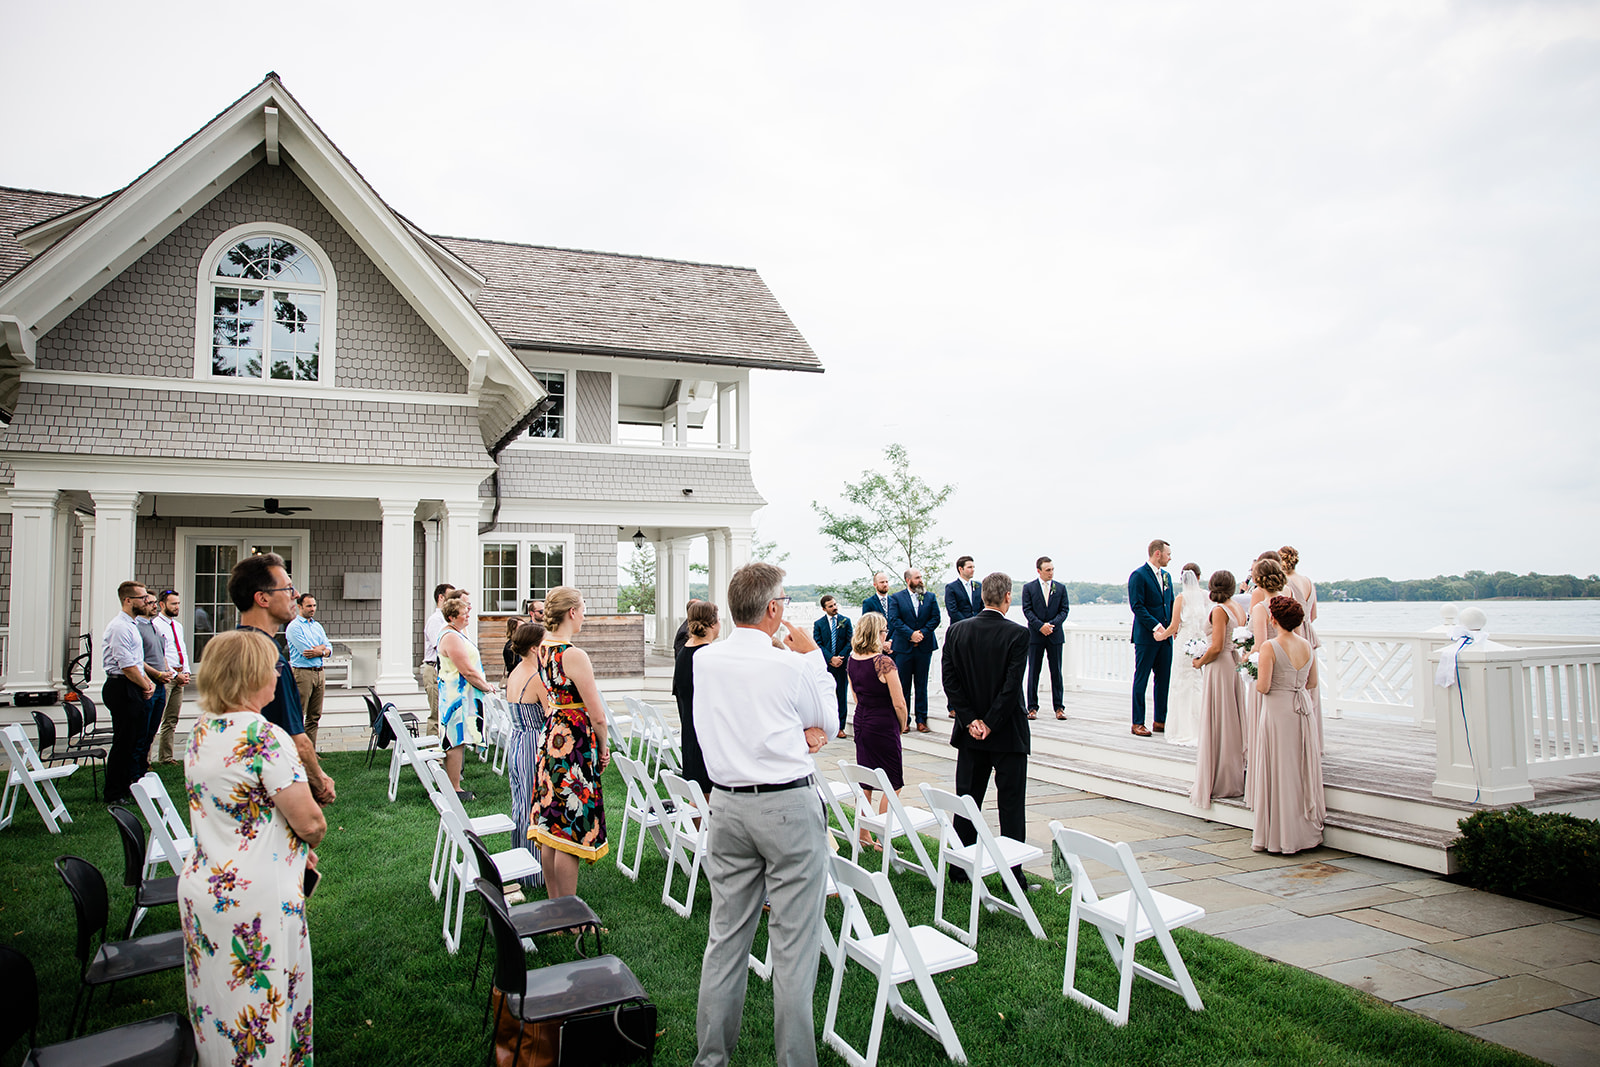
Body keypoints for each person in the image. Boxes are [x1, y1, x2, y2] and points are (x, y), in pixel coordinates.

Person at [691, 561, 833, 1067]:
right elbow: (830, 723)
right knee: (794, 948)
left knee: (725, 939)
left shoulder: (704, 661)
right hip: (787, 805)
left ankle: (711, 1059)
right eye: (785, 602)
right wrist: (814, 658)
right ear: (773, 609)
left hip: (726, 804)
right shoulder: (790, 665)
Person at [179, 629, 326, 1067]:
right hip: (256, 897)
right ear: (251, 676)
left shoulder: (201, 731)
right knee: (263, 1011)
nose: (279, 674)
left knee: (218, 1007)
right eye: (273, 668)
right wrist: (304, 840)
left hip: (204, 886)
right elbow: (310, 822)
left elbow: (238, 809)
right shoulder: (264, 736)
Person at [941, 571, 1033, 886]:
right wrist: (991, 722)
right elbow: (1011, 688)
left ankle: (959, 868)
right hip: (1007, 734)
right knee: (1010, 805)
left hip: (969, 734)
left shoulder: (955, 631)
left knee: (967, 800)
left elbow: (950, 682)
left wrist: (971, 720)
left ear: (982, 597)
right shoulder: (1019, 634)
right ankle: (1014, 876)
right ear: (1008, 597)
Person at [230, 554, 336, 804]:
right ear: (262, 598)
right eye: (288, 588)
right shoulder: (270, 661)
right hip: (267, 789)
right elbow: (295, 738)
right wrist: (319, 782)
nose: (295, 594)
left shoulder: (237, 646)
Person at [530, 586, 612, 898]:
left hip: (552, 736)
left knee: (552, 825)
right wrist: (603, 748)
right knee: (569, 827)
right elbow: (598, 715)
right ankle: (570, 916)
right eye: (584, 610)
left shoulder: (542, 649)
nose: (585, 616)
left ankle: (555, 908)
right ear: (572, 613)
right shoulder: (573, 655)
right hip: (573, 743)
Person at [1249, 595, 1324, 853]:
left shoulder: (1270, 646)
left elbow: (1263, 686)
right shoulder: (1306, 645)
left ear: (1273, 619)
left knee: (1279, 769)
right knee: (1300, 767)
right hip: (1303, 709)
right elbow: (1312, 683)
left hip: (1278, 711)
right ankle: (1303, 832)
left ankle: (1280, 836)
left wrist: (1253, 671)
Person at [846, 612, 909, 849]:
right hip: (883, 724)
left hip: (862, 721)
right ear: (875, 633)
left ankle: (863, 834)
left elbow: (854, 694)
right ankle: (883, 839)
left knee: (866, 783)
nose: (887, 635)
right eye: (884, 631)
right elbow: (899, 702)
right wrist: (902, 724)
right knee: (893, 784)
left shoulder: (852, 659)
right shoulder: (883, 663)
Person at [1189, 571, 1248, 808]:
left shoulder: (1219, 611)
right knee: (1230, 720)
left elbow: (1217, 646)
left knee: (1220, 720)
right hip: (1232, 662)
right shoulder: (1238, 608)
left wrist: (1199, 661)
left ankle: (1222, 779)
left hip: (1219, 665)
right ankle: (1231, 773)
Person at [102, 580, 156, 802]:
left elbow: (137, 661)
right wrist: (146, 685)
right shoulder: (119, 627)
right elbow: (127, 666)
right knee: (123, 741)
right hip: (121, 686)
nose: (146, 601)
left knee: (134, 740)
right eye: (142, 598)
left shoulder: (132, 624)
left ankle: (127, 786)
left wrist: (147, 683)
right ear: (128, 600)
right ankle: (114, 793)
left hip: (132, 684)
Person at [504, 620, 549, 882]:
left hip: (517, 741)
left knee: (521, 804)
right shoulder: (535, 678)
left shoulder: (515, 672)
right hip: (533, 742)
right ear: (534, 648)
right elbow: (550, 715)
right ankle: (535, 872)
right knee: (535, 805)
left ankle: (522, 864)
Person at [438, 595, 495, 797]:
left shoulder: (456, 633)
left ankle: (454, 785)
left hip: (462, 695)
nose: (468, 616)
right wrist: (485, 686)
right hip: (457, 697)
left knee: (459, 739)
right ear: (452, 617)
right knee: (455, 739)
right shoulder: (451, 637)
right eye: (464, 614)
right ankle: (453, 788)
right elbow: (466, 671)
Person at [1155, 564, 1205, 747]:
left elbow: (1174, 626)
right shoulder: (1206, 596)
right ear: (1198, 577)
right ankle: (1201, 728)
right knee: (1197, 684)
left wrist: (1161, 635)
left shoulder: (1181, 598)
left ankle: (1183, 729)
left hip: (1184, 644)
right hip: (1200, 643)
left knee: (1181, 685)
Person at [674, 600, 721, 795]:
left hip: (690, 731)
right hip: (706, 736)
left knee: (697, 795)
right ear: (712, 624)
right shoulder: (707, 655)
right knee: (707, 796)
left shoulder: (686, 649)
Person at [1280, 544, 1323, 752]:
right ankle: (1313, 737)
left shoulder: (1285, 584)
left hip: (1294, 633)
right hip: (1308, 634)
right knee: (1311, 686)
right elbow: (1313, 615)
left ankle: (1296, 738)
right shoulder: (1308, 581)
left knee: (1294, 684)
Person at [1128, 540, 1174, 736]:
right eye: (1168, 554)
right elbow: (1137, 606)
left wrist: (1171, 628)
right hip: (1146, 637)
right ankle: (1137, 722)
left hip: (1165, 637)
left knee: (1163, 679)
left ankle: (1160, 720)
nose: (1170, 557)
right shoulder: (1138, 576)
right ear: (1157, 553)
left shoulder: (1167, 576)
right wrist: (1156, 626)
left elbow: (1169, 603)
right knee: (1142, 678)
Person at [886, 567, 940, 732]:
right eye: (917, 578)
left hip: (924, 647)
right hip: (903, 648)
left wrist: (921, 633)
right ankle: (905, 720)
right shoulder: (896, 598)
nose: (920, 580)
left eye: (921, 577)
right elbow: (894, 619)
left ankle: (921, 720)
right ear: (908, 580)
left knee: (922, 684)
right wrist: (911, 634)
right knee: (904, 685)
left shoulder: (929, 597)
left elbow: (935, 618)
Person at [1246, 558, 1290, 758]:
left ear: (1257, 580)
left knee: (1262, 718)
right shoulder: (1289, 602)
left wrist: (1244, 658)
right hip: (1287, 665)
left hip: (1268, 667)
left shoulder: (1261, 608)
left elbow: (1260, 646)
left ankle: (1263, 760)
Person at [1023, 556, 1070, 720]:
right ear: (1039, 571)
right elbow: (1027, 610)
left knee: (1056, 672)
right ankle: (1032, 707)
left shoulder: (1061, 588)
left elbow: (1064, 610)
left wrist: (1051, 625)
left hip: (1055, 635)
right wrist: (1040, 626)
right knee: (1033, 672)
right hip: (1035, 635)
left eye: (1052, 569)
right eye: (1047, 570)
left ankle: (1059, 707)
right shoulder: (1028, 588)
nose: (1051, 573)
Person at [134, 590, 174, 776]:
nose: (154, 605)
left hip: (160, 685)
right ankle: (136, 773)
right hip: (148, 685)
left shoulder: (154, 627)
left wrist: (166, 672)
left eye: (153, 602)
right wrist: (157, 674)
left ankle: (143, 771)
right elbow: (138, 660)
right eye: (149, 603)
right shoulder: (136, 628)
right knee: (141, 733)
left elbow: (162, 653)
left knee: (151, 731)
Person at [153, 589, 194, 765]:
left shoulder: (177, 626)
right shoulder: (156, 625)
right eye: (173, 604)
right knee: (155, 719)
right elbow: (159, 655)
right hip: (165, 678)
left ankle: (166, 758)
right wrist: (175, 675)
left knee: (172, 719)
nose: (177, 607)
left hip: (179, 678)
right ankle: (145, 759)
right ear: (162, 605)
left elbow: (181, 650)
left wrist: (186, 672)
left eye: (178, 603)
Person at [286, 593, 332, 748]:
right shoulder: (294, 627)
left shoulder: (317, 626)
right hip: (303, 674)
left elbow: (329, 648)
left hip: (319, 672)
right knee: (299, 714)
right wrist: (322, 650)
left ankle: (310, 752)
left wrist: (320, 650)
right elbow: (306, 652)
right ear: (299, 607)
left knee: (314, 716)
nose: (312, 609)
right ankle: (296, 752)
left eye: (314, 605)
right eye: (309, 606)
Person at [812, 595, 853, 738]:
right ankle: (828, 726)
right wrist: (830, 658)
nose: (834, 607)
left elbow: (850, 641)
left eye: (835, 604)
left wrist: (840, 657)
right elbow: (818, 644)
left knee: (841, 694)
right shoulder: (819, 624)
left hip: (842, 664)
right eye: (830, 606)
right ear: (824, 609)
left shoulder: (845, 621)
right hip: (827, 665)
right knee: (826, 695)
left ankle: (841, 727)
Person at [420, 583, 455, 737]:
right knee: (436, 714)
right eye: (451, 597)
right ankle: (433, 752)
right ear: (441, 597)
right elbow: (440, 646)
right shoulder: (435, 620)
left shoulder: (445, 620)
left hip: (442, 670)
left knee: (443, 712)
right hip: (433, 669)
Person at [944, 555, 981, 625]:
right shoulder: (951, 587)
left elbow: (982, 606)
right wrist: (968, 624)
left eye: (973, 567)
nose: (973, 570)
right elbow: (953, 611)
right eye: (969, 567)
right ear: (960, 569)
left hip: (978, 627)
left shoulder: (979, 586)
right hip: (960, 627)